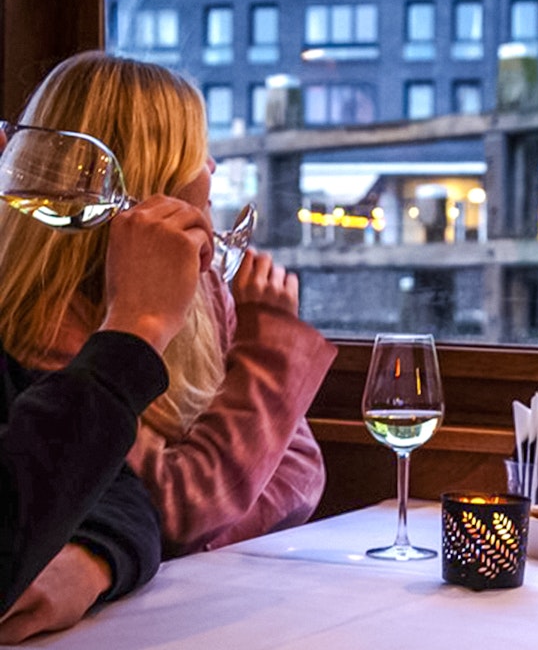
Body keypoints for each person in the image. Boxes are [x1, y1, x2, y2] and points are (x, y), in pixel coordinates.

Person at [0, 52, 337, 559]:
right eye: (197, 151)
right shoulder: (45, 321)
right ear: (150, 171)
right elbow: (176, 508)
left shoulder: (205, 293)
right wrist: (268, 351)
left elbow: (300, 475)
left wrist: (191, 532)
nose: (212, 167)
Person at [0, 195, 214, 643]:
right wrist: (138, 327)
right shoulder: (46, 322)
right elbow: (180, 501)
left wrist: (90, 559)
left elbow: (123, 493)